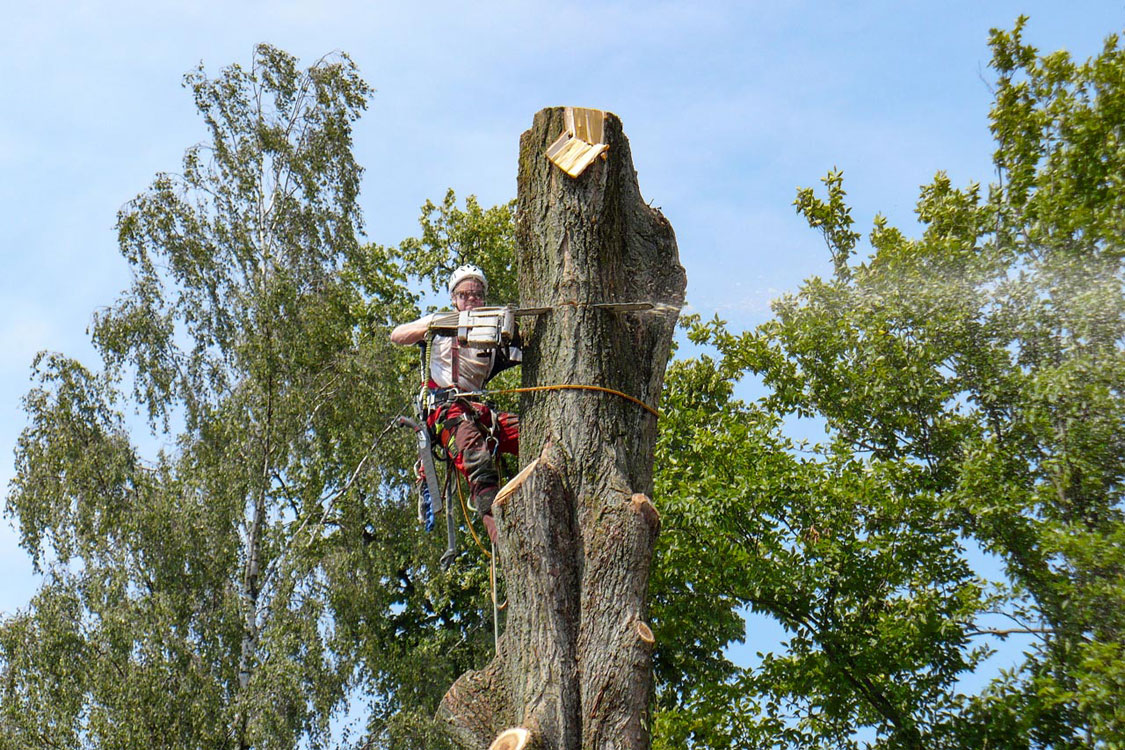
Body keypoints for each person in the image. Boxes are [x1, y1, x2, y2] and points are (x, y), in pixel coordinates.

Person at [390, 264, 519, 546]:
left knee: (528, 431)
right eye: (465, 294)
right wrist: (433, 325)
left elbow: (520, 351)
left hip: (479, 411)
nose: (471, 300)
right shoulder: (441, 325)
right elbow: (397, 335)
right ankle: (497, 529)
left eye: (477, 295)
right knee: (474, 451)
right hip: (447, 411)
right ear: (454, 298)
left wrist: (515, 329)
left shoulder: (494, 331)